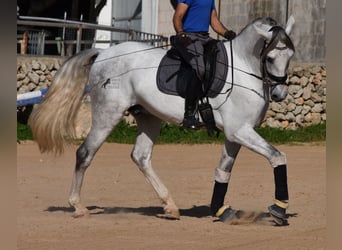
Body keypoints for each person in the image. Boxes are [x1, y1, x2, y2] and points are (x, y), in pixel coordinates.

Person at [172, 0, 236, 129]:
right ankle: (189, 115)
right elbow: (177, 17)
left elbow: (214, 21)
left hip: (205, 38)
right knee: (200, 68)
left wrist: (227, 33)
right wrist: (181, 34)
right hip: (188, 37)